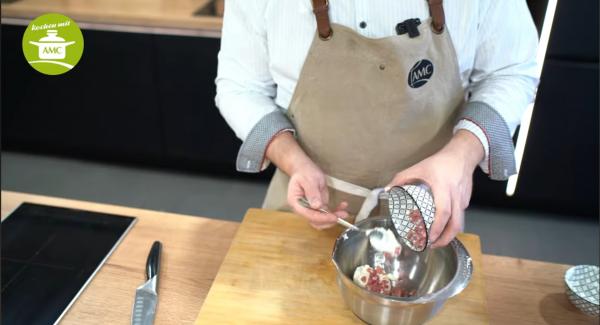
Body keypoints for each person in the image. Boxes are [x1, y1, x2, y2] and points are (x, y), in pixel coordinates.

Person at [215, 0, 539, 248]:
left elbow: (511, 72)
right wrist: (291, 158)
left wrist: (461, 157)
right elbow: (239, 87)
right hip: (307, 208)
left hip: (427, 213)